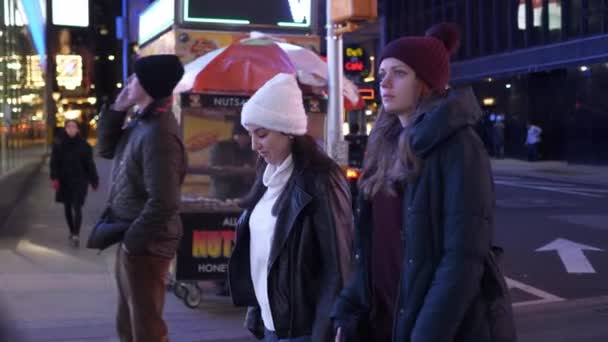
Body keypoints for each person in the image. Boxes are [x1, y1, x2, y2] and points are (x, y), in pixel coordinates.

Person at [332, 23, 517, 342]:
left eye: (399, 74)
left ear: (426, 83)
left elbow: (461, 261)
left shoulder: (459, 146)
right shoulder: (383, 145)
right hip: (383, 324)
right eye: (382, 74)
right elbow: (370, 251)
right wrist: (347, 312)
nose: (384, 83)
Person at [228, 73, 354, 342]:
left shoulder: (322, 179)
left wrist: (324, 333)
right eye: (250, 134)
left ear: (289, 132)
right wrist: (256, 310)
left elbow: (338, 266)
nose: (254, 145)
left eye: (261, 134)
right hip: (273, 324)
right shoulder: (268, 174)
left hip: (304, 331)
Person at [97, 54, 186, 342]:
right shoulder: (142, 123)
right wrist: (117, 109)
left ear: (148, 85)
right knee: (130, 321)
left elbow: (164, 201)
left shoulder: (158, 133)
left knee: (146, 327)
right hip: (135, 238)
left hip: (146, 244)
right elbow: (106, 149)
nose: (130, 81)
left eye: (135, 77)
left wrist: (134, 243)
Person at [50, 119, 99, 248]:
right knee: (67, 207)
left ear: (78, 129)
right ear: (65, 129)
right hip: (65, 180)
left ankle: (76, 234)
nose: (71, 129)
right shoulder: (59, 144)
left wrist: (94, 180)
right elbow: (54, 162)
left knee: (77, 207)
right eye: (69, 127)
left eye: (74, 127)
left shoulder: (84, 145)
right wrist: (54, 178)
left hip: (79, 180)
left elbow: (89, 164)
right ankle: (71, 230)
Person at [208, 120, 257, 201]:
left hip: (245, 195)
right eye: (242, 136)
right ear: (235, 135)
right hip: (223, 195)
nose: (245, 140)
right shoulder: (220, 148)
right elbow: (214, 173)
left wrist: (249, 175)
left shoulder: (251, 149)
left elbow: (256, 172)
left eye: (248, 137)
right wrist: (241, 171)